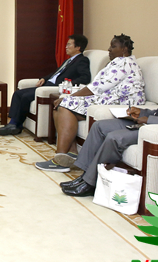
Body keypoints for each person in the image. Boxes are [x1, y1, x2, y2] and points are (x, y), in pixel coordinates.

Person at [62, 47, 158, 197]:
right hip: (151, 121)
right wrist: (142, 112)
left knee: (114, 137)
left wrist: (150, 120)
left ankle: (90, 184)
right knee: (99, 126)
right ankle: (84, 176)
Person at [35, 34, 145, 172]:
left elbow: (97, 87)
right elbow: (99, 86)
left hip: (121, 101)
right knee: (59, 106)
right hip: (109, 97)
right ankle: (71, 155)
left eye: (113, 46)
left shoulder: (124, 63)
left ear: (124, 49)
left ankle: (60, 161)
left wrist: (69, 97)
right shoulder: (119, 62)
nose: (109, 49)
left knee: (64, 104)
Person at [0, 34, 91, 136]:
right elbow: (55, 74)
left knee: (25, 96)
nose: (66, 47)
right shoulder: (68, 60)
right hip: (48, 84)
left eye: (69, 44)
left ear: (78, 47)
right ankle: (12, 123)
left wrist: (67, 84)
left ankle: (16, 125)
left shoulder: (82, 60)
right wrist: (43, 79)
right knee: (18, 93)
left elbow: (85, 78)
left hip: (54, 88)